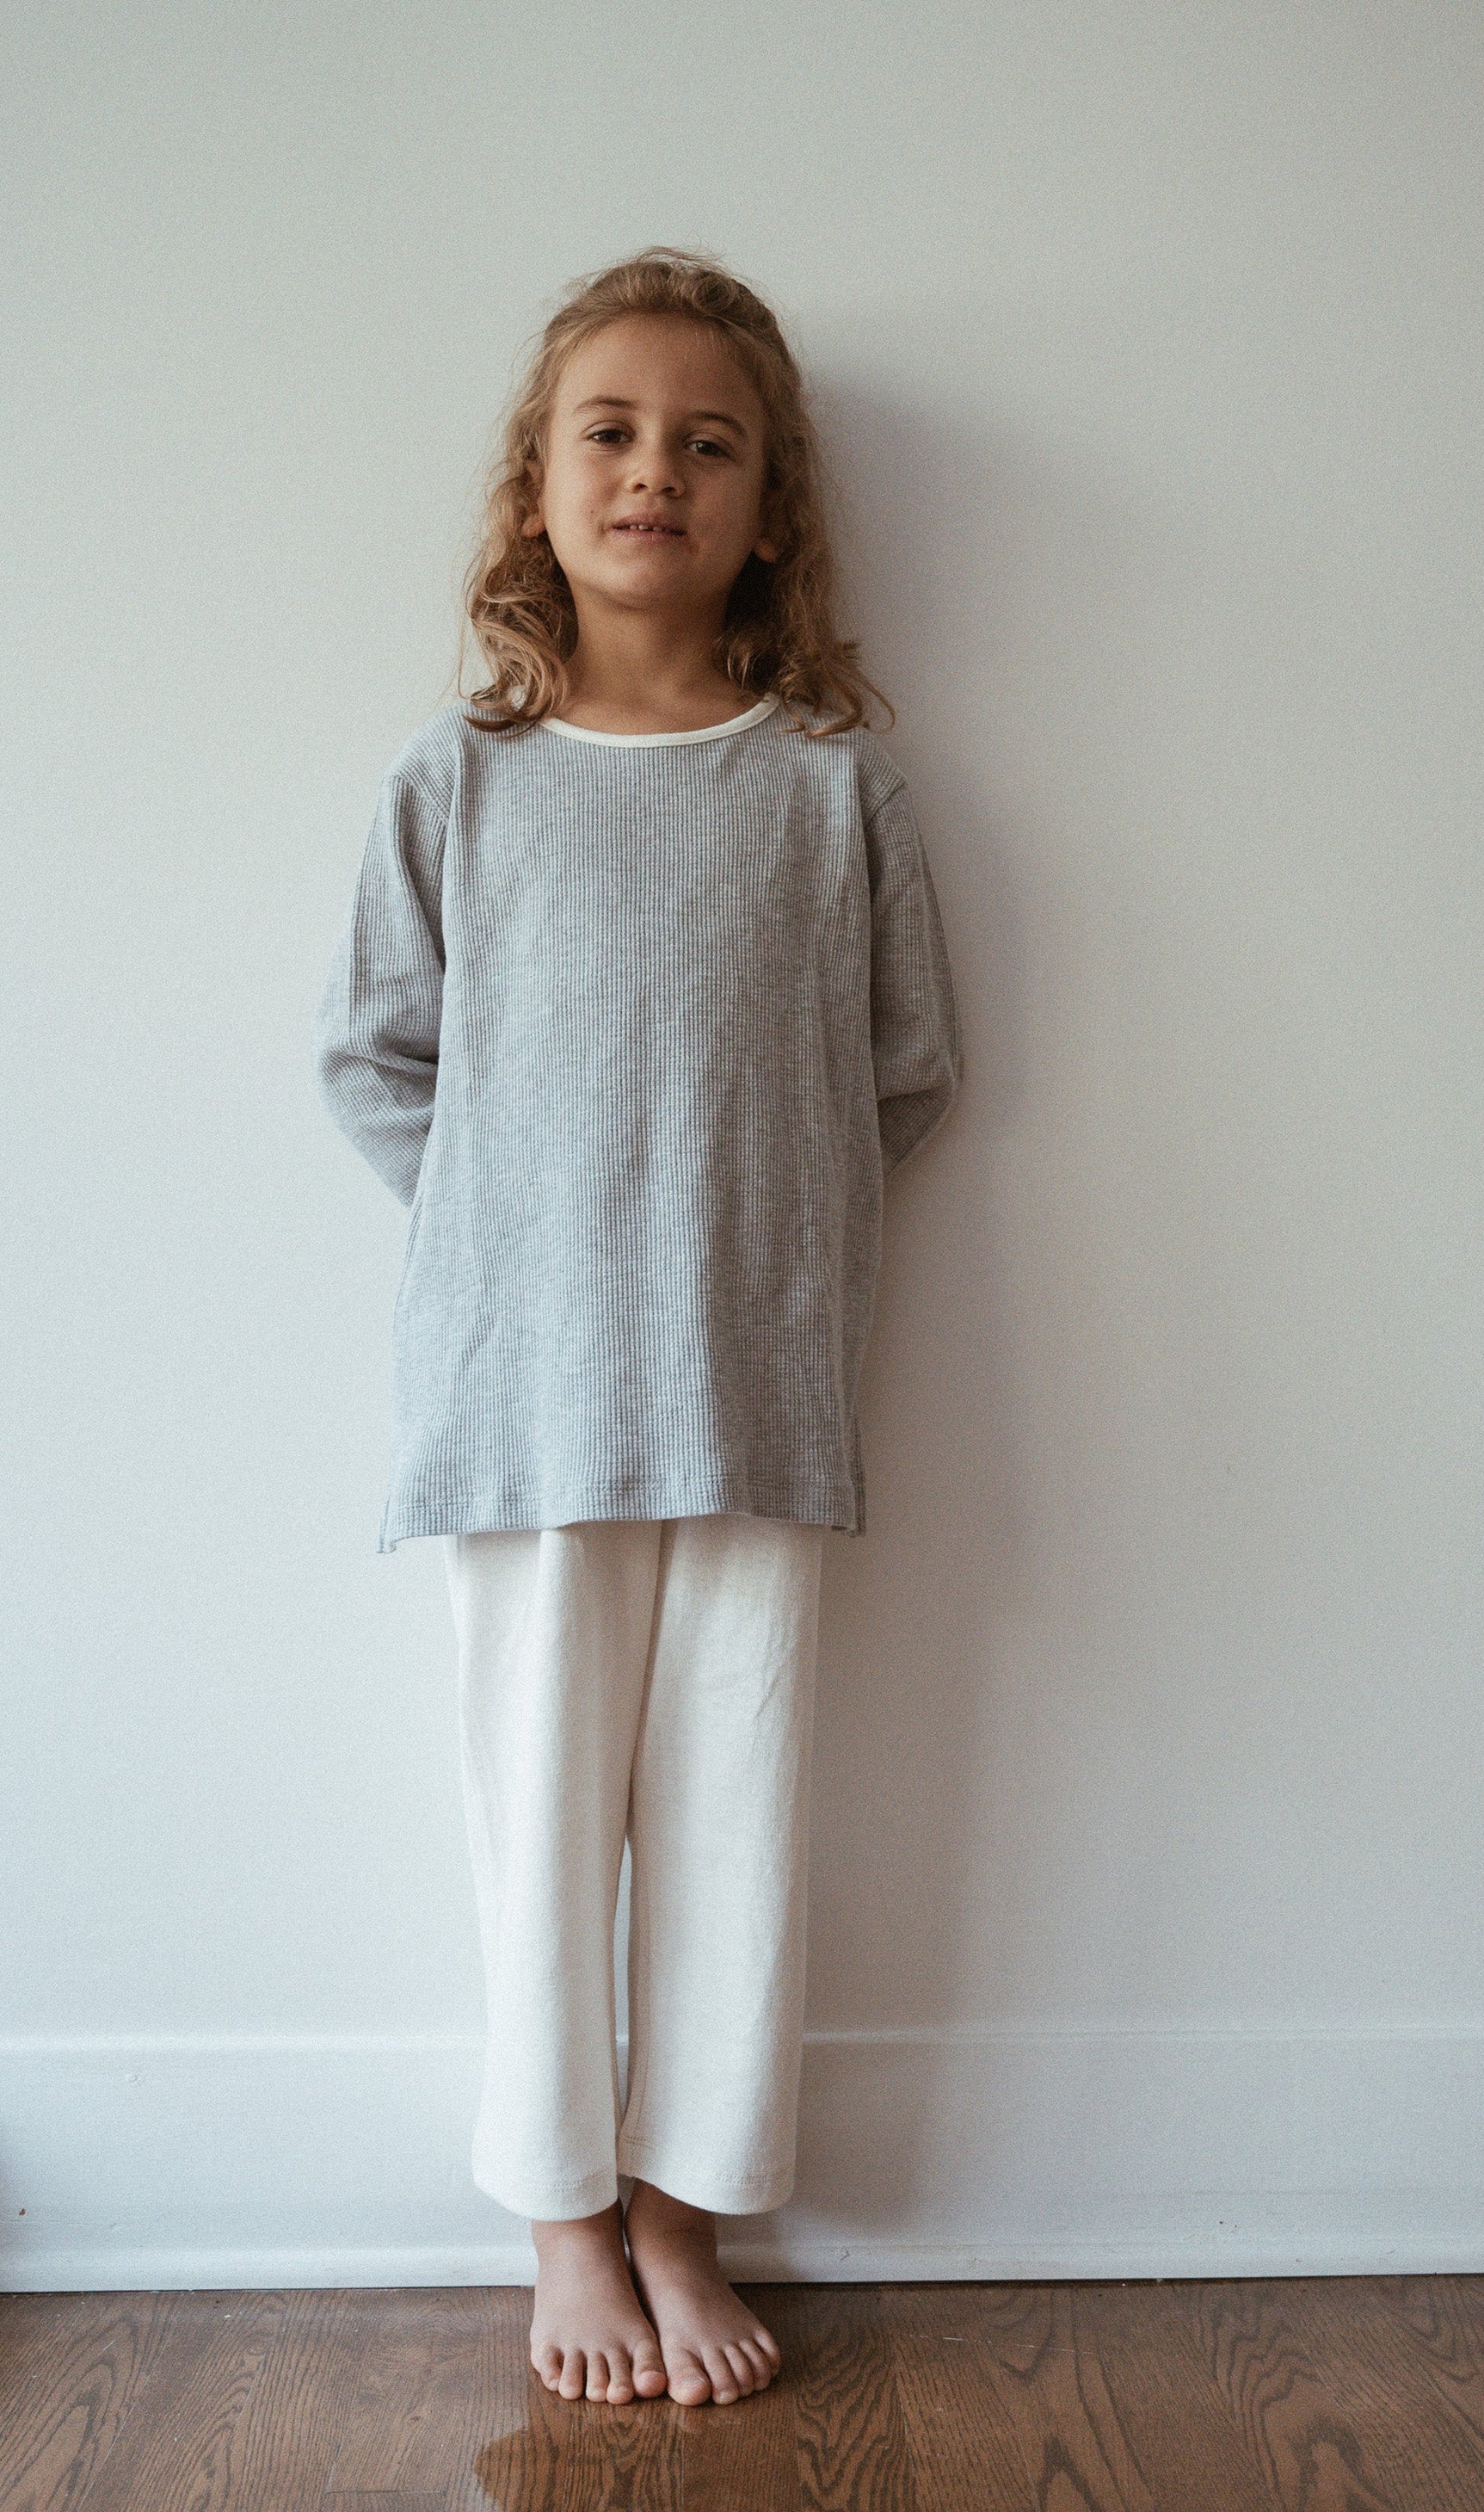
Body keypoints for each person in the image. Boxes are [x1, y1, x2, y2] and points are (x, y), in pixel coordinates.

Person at [311, 247, 960, 2411]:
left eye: (706, 441)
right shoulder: (462, 779)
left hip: (761, 1382)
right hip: (521, 1393)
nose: (654, 472)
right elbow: (376, 1058)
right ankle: (560, 2217)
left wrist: (754, 1242)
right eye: (610, 429)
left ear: (766, 502)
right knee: (543, 1797)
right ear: (538, 480)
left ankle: (685, 2207)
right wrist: (520, 1240)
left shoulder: (830, 782)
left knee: (733, 1804)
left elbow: (906, 1066)